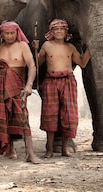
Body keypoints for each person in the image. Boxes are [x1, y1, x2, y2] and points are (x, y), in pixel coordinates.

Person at [0, 21, 41, 164]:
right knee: (5, 117)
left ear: (17, 32)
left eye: (12, 33)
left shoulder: (22, 46)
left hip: (18, 85)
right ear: (2, 34)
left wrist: (29, 85)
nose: (9, 36)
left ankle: (30, 153)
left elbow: (32, 66)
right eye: (6, 33)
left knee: (22, 117)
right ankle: (10, 151)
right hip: (1, 85)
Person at [33, 19, 90, 158]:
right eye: (56, 29)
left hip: (68, 81)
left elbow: (82, 63)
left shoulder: (70, 47)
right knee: (50, 116)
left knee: (68, 116)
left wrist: (90, 49)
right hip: (50, 81)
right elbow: (38, 63)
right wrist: (35, 49)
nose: (59, 31)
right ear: (51, 32)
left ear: (66, 32)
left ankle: (64, 149)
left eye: (62, 29)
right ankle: (50, 150)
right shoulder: (46, 45)